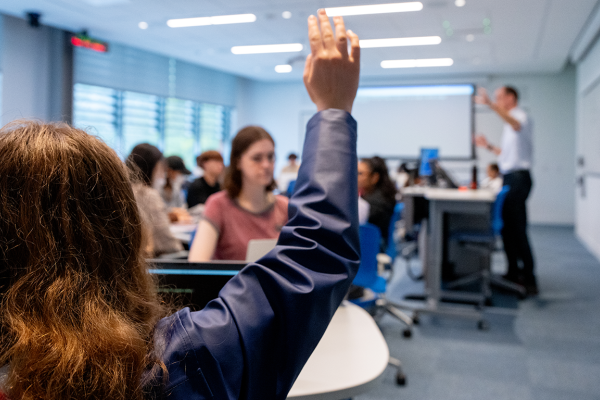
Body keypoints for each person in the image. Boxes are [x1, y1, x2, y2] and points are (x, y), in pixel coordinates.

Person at [0, 11, 360, 400]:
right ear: (125, 232)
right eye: (258, 157)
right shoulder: (174, 364)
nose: (267, 165)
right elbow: (316, 254)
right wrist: (333, 111)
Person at [188, 126, 289, 261]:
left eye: (271, 157)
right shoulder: (218, 205)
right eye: (257, 158)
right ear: (238, 162)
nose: (266, 165)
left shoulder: (285, 207)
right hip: (230, 282)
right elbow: (197, 266)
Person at [475, 85, 538, 295]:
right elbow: (507, 155)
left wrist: (490, 106)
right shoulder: (509, 125)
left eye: (499, 97)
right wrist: (489, 147)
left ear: (511, 98)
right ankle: (513, 272)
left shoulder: (520, 116)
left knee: (518, 229)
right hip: (511, 176)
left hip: (519, 178)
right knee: (508, 229)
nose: (497, 100)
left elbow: (515, 123)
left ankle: (529, 278)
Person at [126, 143, 185, 256]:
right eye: (160, 169)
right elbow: (166, 241)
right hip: (151, 262)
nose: (163, 175)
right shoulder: (147, 194)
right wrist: (182, 252)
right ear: (151, 168)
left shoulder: (124, 189)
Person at [358, 156, 397, 249]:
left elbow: (358, 223)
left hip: (373, 247)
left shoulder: (376, 203)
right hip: (375, 244)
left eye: (360, 173)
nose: (356, 176)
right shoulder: (383, 196)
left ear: (375, 177)